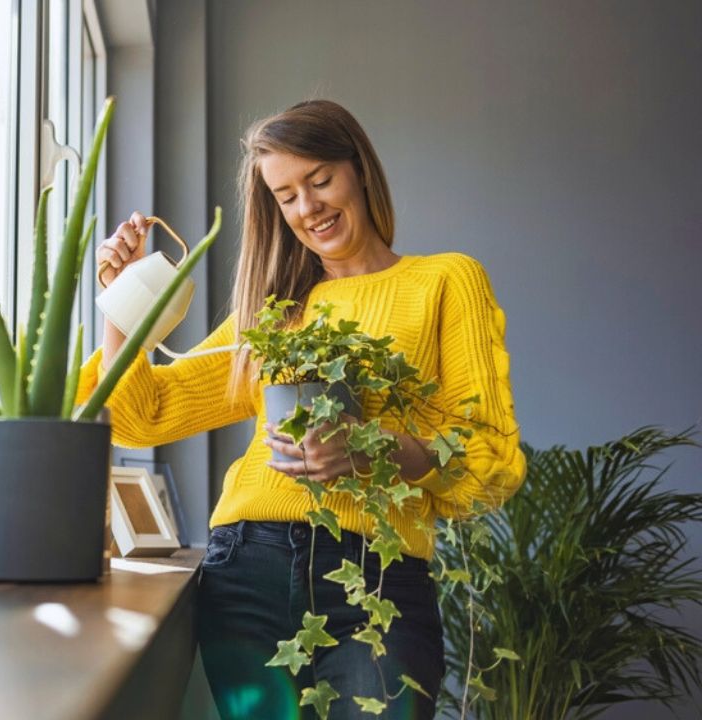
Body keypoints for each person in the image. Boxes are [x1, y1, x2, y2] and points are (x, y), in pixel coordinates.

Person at [73, 99, 525, 719]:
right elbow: (145, 414)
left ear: (359, 170)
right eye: (286, 196)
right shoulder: (273, 313)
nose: (308, 208)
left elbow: (490, 464)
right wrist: (120, 304)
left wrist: (371, 446)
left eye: (320, 180)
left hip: (376, 576)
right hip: (247, 568)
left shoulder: (446, 281)